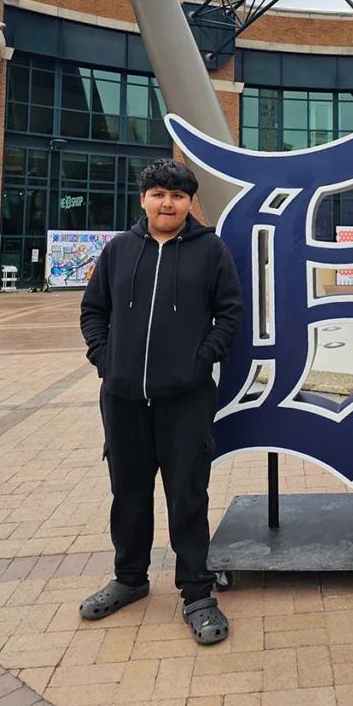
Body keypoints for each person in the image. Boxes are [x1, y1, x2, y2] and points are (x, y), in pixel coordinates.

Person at [79, 158, 243, 644]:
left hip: (186, 400)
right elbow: (93, 311)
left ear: (189, 202)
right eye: (158, 193)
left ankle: (196, 592)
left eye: (176, 195)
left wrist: (200, 363)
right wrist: (106, 359)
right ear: (144, 199)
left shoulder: (211, 251)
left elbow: (230, 315)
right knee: (128, 493)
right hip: (123, 397)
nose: (166, 203)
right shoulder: (119, 250)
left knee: (187, 495)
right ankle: (129, 579)